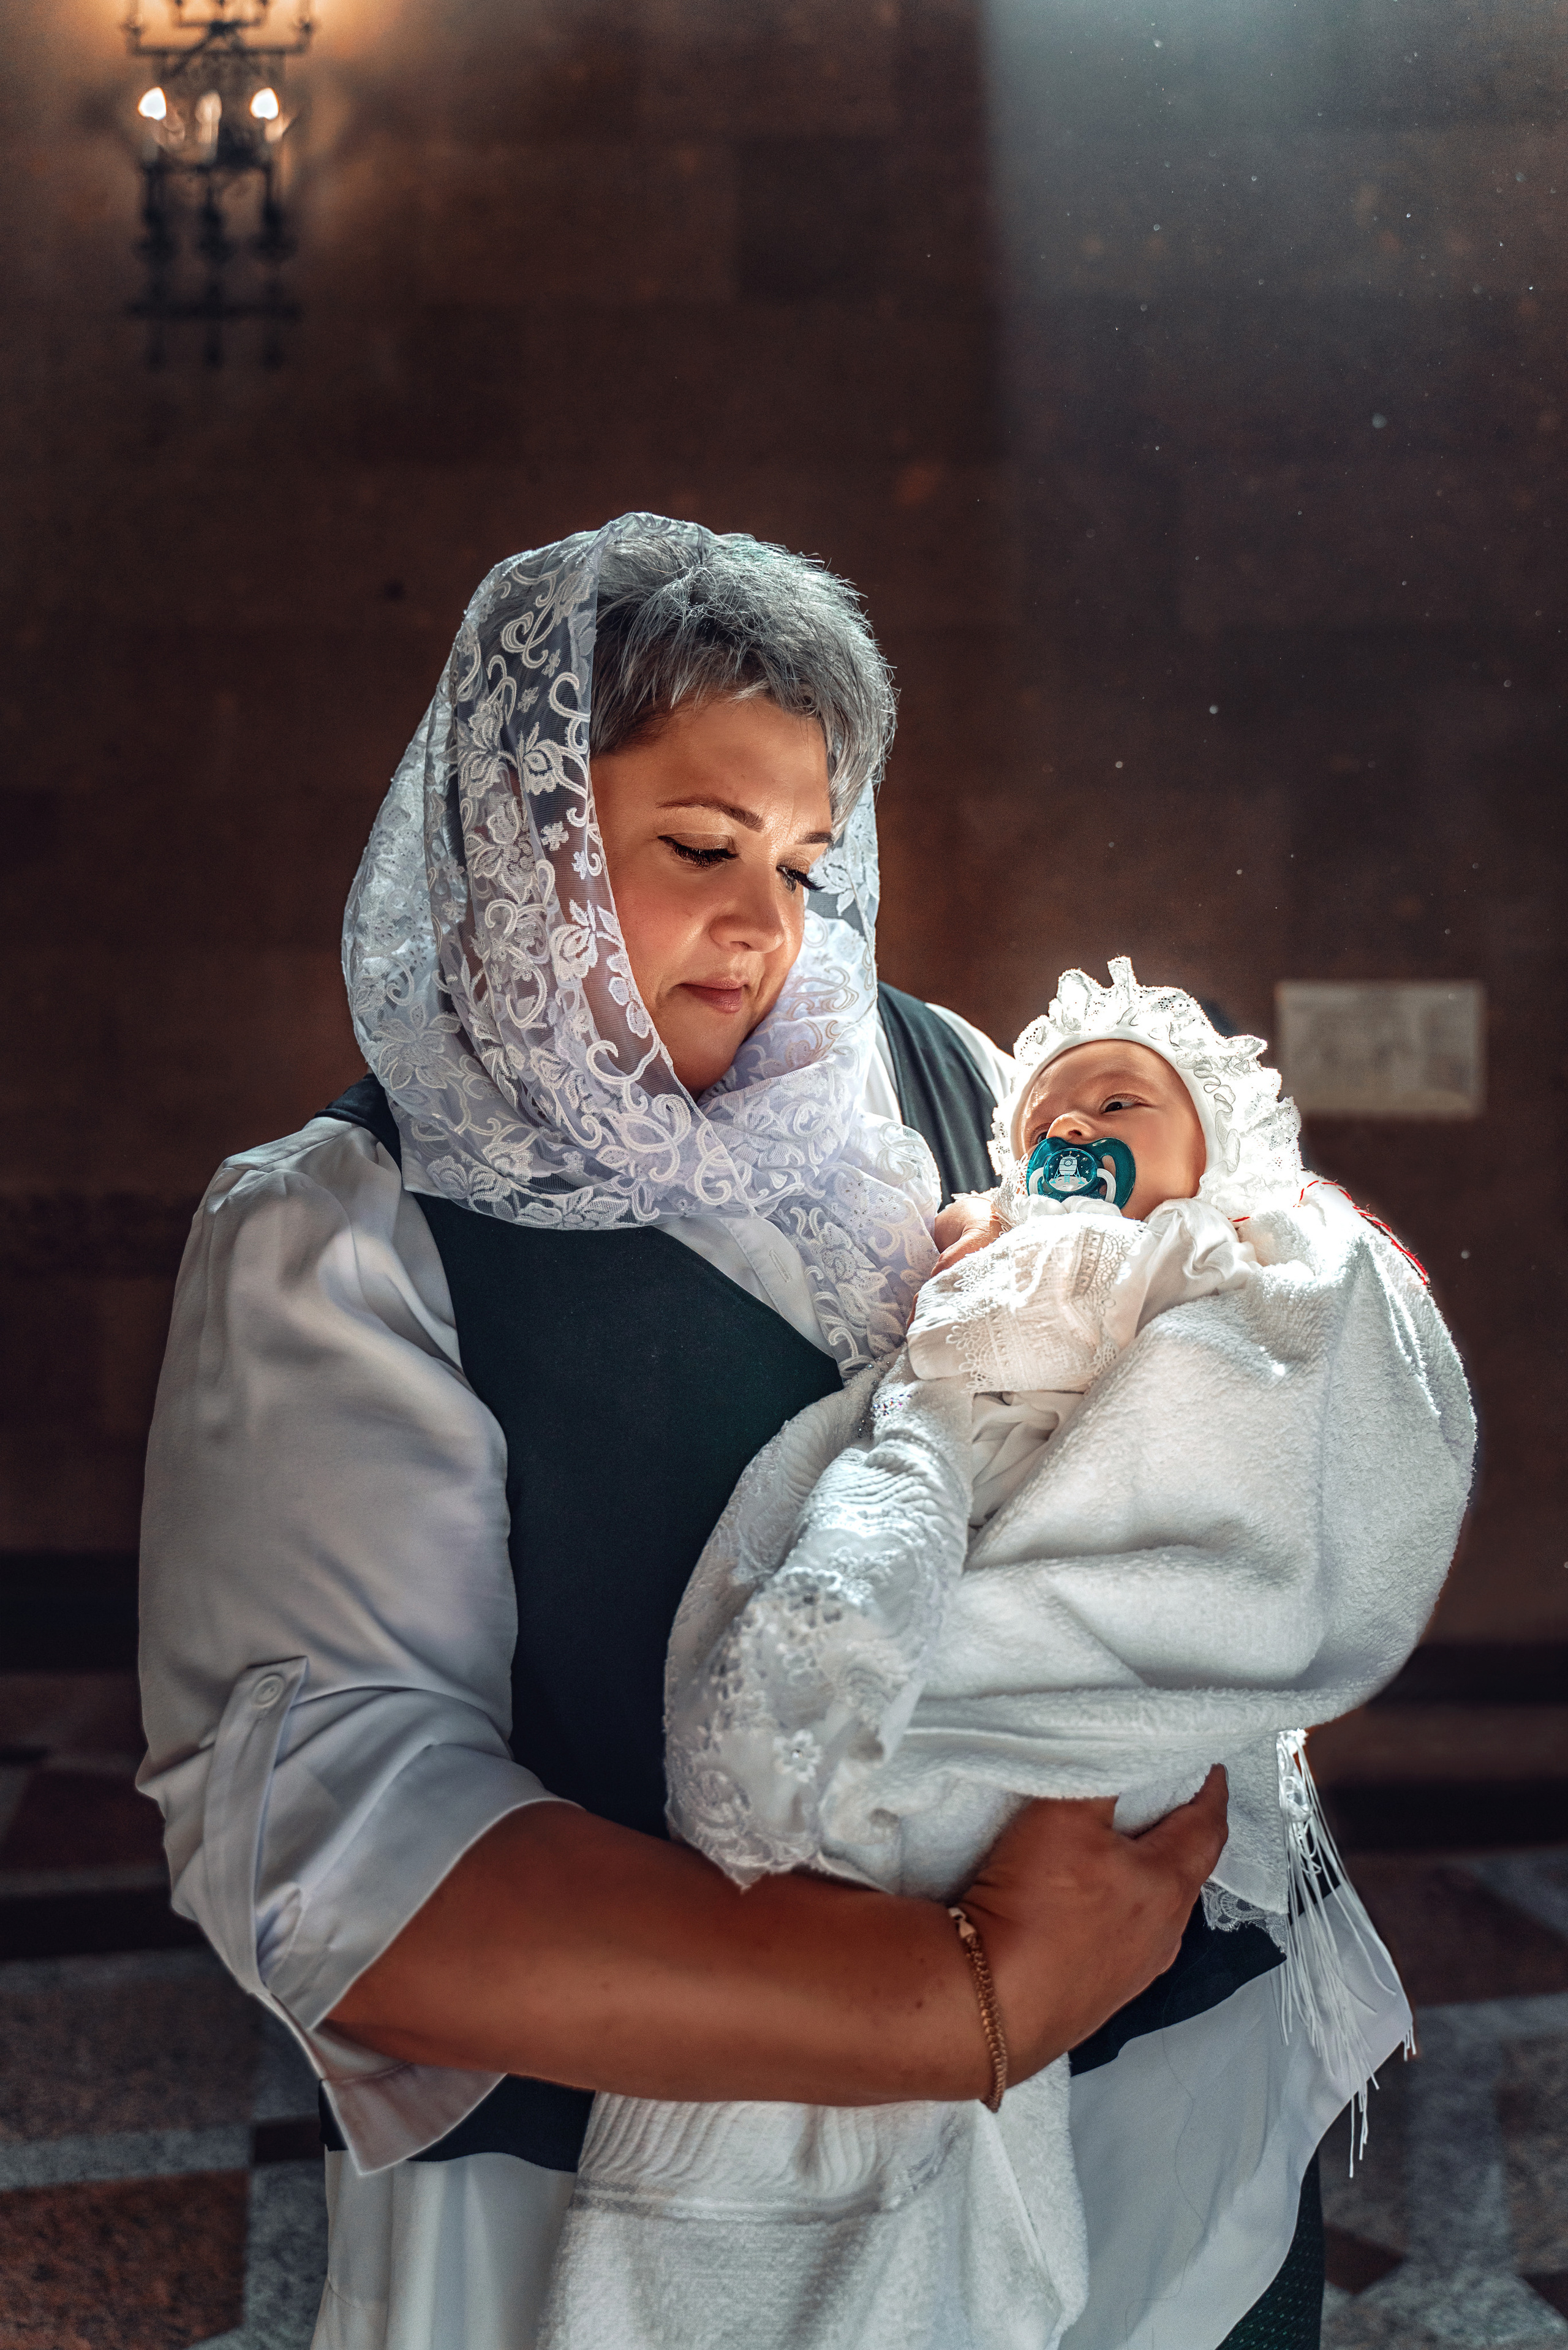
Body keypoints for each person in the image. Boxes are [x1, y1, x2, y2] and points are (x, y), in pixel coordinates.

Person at [138, 514, 1235, 2350]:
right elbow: (337, 1841)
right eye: (703, 849)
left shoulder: (953, 1081)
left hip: (1142, 2130)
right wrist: (969, 1993)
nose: (768, 926)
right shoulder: (344, 1229)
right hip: (637, 2225)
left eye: (808, 860)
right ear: (519, 840)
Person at [535, 962, 1476, 2350]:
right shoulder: (991, 1239)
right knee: (846, 1641)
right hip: (946, 1519)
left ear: (1214, 1147)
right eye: (1048, 1106)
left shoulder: (1222, 1254)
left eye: (1121, 1098)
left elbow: (1270, 1411)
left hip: (1073, 1633)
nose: (1077, 1117)